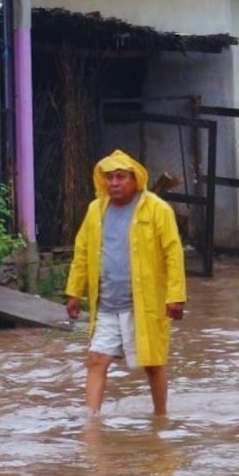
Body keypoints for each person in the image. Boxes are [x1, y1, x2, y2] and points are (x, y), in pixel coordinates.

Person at [65, 149, 187, 416]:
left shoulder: (156, 209)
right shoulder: (95, 211)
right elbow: (82, 252)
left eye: (120, 177)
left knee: (153, 363)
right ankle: (92, 422)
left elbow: (173, 254)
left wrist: (175, 296)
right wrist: (74, 292)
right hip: (107, 303)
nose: (114, 183)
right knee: (96, 360)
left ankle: (160, 417)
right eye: (109, 178)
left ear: (135, 179)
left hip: (144, 305)